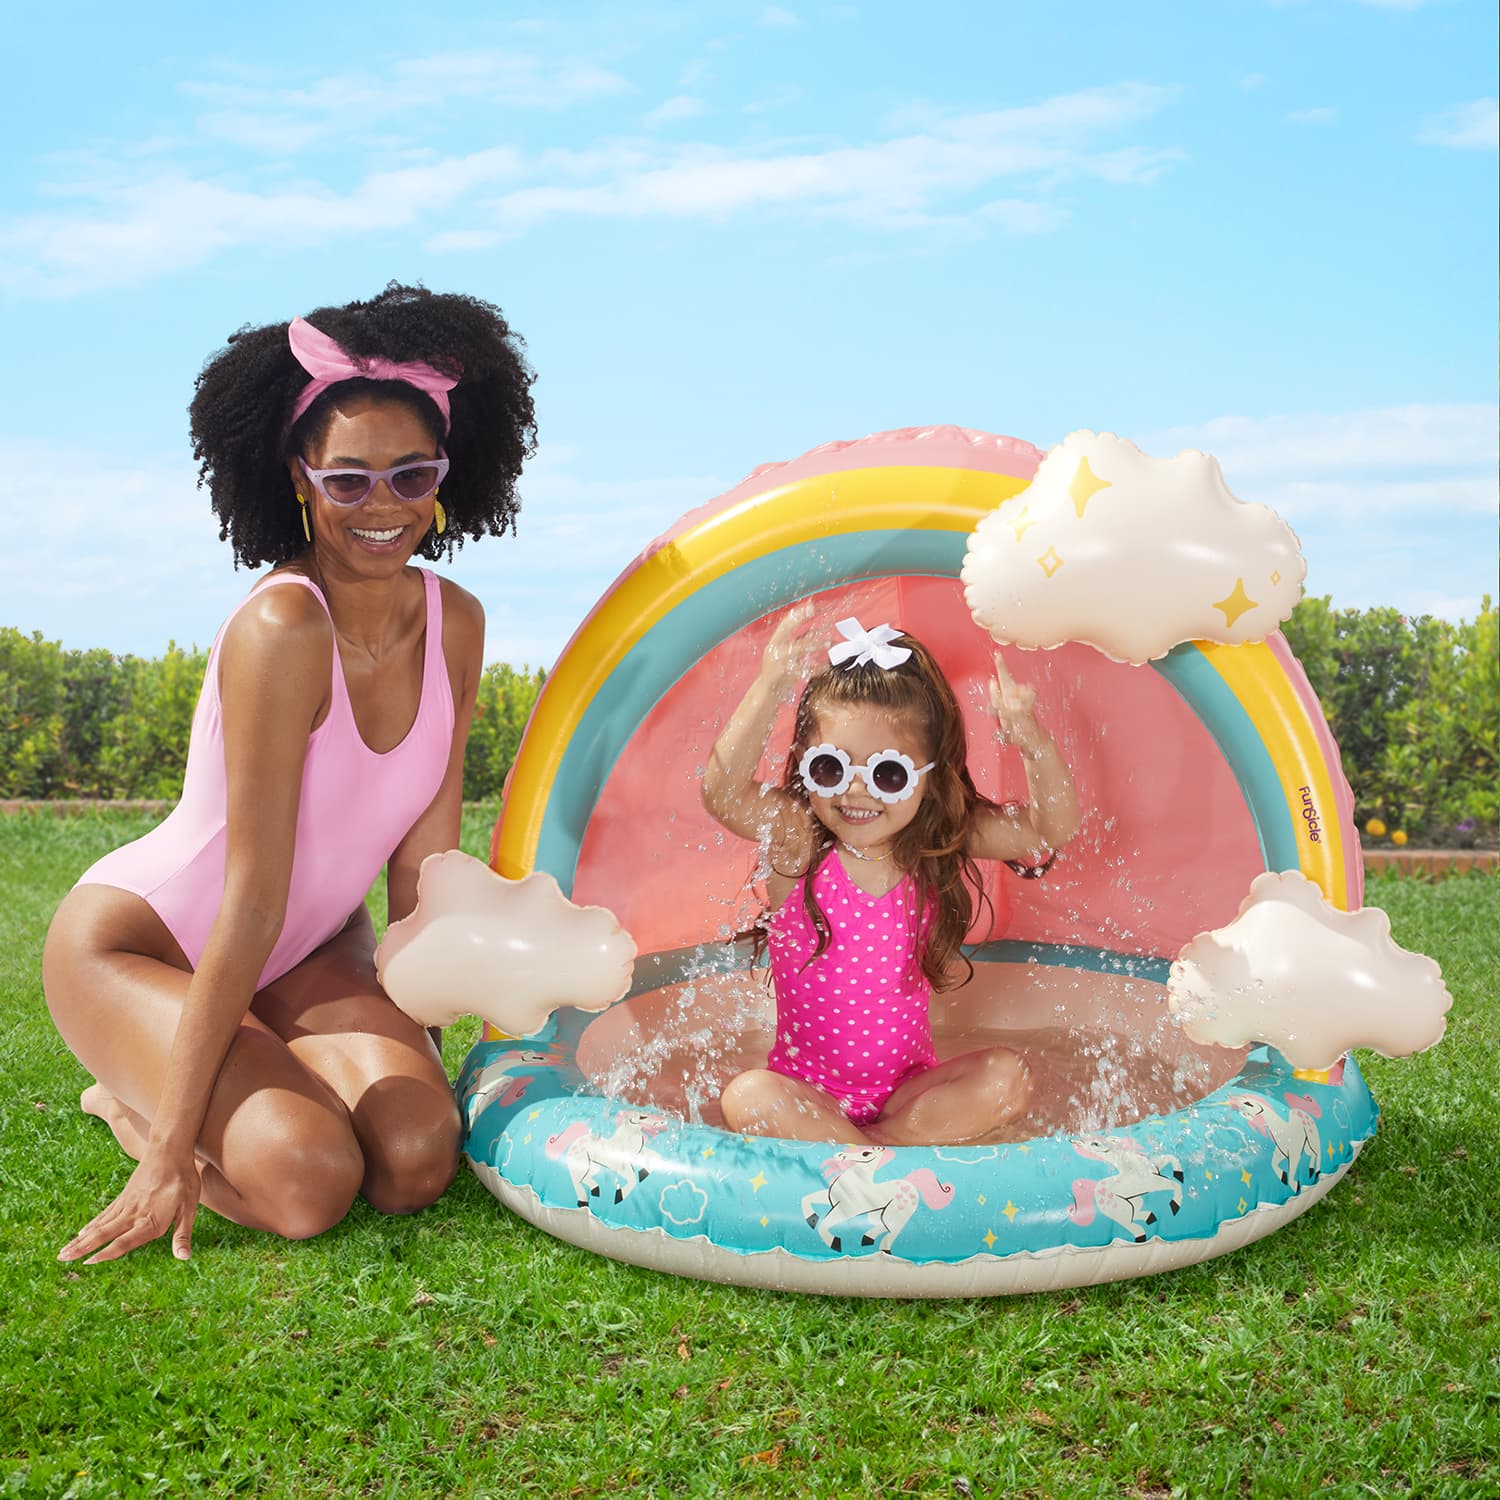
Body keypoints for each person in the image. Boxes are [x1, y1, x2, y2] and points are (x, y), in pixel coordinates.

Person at [44, 283, 536, 1263]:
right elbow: (250, 897)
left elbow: (419, 881)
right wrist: (175, 1143)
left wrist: (419, 1071)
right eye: (348, 481)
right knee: (310, 1182)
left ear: (446, 478)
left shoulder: (457, 624)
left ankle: (260, 1058)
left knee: (412, 1160)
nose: (382, 507)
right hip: (148, 947)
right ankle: (127, 1104)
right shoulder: (282, 627)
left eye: (410, 475)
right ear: (300, 480)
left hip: (310, 948)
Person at [700, 606, 1081, 1146]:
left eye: (889, 774)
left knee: (1008, 1078)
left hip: (909, 1095)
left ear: (929, 777)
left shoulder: (934, 841)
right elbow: (722, 794)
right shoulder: (800, 842)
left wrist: (1034, 744)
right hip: (805, 1095)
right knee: (747, 1096)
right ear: (805, 762)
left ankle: (870, 1153)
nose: (857, 792)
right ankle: (886, 1157)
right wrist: (768, 686)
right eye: (830, 767)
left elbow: (1048, 829)